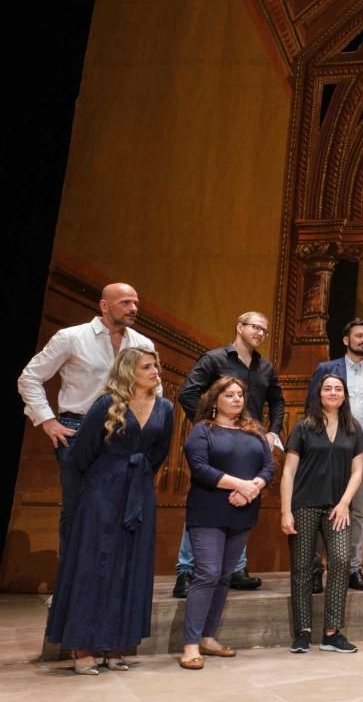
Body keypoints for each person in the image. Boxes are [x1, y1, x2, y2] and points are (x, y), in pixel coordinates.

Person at [44, 347, 174, 674]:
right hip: (101, 494)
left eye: (156, 365)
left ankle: (116, 645)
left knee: (129, 567)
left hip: (139, 493)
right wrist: (92, 493)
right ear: (129, 371)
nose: (155, 371)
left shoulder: (166, 408)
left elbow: (159, 454)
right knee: (94, 565)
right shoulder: (106, 404)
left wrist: (138, 481)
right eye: (147, 366)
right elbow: (79, 457)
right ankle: (83, 648)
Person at [18, 282, 155, 558]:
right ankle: (70, 587)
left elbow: (155, 390)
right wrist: (47, 420)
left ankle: (102, 584)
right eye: (126, 302)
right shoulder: (71, 337)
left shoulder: (142, 343)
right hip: (77, 430)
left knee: (116, 509)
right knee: (78, 507)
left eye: (136, 303)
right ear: (104, 306)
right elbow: (30, 378)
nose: (134, 309)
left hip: (124, 432)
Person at [173, 311, 285, 597]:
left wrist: (271, 432)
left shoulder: (265, 367)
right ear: (239, 327)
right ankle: (186, 570)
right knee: (206, 500)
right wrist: (208, 425)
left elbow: (278, 402)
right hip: (217, 440)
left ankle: (236, 567)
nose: (260, 333)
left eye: (264, 330)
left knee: (243, 497)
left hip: (248, 442)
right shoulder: (215, 359)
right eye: (255, 327)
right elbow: (187, 393)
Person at [177, 377, 275, 670]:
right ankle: (190, 644)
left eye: (240, 395)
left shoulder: (255, 430)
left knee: (223, 576)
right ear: (215, 399)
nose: (236, 399)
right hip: (208, 510)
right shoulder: (202, 431)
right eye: (229, 395)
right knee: (206, 572)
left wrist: (252, 488)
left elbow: (268, 466)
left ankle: (208, 638)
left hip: (242, 510)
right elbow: (201, 468)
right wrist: (242, 485)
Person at [281, 374, 363, 654]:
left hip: (337, 507)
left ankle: (332, 632)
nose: (332, 392)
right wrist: (285, 511)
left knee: (341, 561)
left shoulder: (353, 428)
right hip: (304, 504)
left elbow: (358, 472)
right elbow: (289, 471)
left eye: (338, 389)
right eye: (327, 388)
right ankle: (303, 632)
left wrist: (344, 503)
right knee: (302, 567)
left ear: (344, 395)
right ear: (319, 394)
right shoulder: (304, 426)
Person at [307, 318, 363, 592]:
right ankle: (316, 570)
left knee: (357, 513)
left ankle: (353, 569)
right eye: (358, 335)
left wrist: (358, 441)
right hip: (326, 450)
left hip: (362, 451)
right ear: (346, 340)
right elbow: (312, 407)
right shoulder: (326, 369)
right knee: (321, 509)